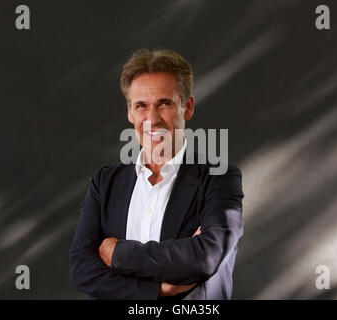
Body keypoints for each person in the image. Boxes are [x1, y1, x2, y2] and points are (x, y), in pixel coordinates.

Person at [69, 48, 244, 299]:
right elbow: (81, 270)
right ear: (130, 112)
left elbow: (205, 257)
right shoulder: (105, 183)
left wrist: (118, 254)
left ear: (188, 107)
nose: (152, 119)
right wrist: (158, 289)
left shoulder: (219, 179)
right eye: (141, 106)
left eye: (164, 103)